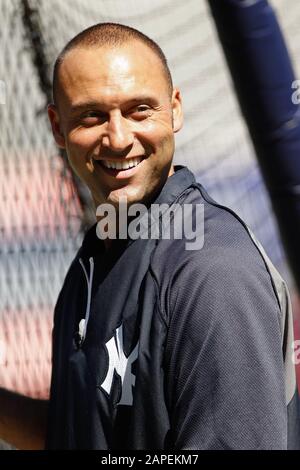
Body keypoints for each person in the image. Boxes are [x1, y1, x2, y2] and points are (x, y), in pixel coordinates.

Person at [1, 22, 300, 450]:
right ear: (57, 127)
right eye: (92, 115)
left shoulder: (211, 272)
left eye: (140, 110)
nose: (119, 138)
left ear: (175, 110)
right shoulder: (94, 260)